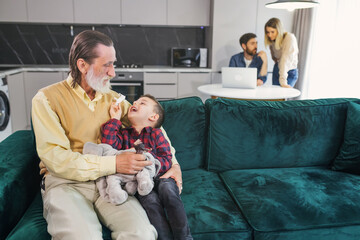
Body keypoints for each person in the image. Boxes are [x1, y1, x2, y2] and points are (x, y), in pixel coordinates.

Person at [31, 30, 183, 240]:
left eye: (114, 64)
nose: (113, 73)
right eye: (106, 65)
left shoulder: (113, 100)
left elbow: (153, 127)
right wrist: (114, 164)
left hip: (111, 182)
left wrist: (174, 165)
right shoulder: (46, 99)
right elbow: (57, 159)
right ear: (82, 65)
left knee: (143, 234)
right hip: (66, 183)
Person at [101, 94, 192, 240]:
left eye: (142, 103)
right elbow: (108, 145)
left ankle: (184, 237)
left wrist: (148, 165)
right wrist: (115, 119)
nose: (135, 103)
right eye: (135, 101)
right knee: (150, 201)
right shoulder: (124, 135)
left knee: (168, 190)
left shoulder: (156, 133)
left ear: (153, 117)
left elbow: (166, 158)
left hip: (161, 176)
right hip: (139, 182)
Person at [264, 17, 299, 88]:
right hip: (278, 68)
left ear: (279, 30)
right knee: (275, 97)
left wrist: (283, 81)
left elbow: (285, 60)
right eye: (267, 32)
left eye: (272, 32)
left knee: (283, 95)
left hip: (289, 71)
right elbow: (274, 55)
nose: (269, 35)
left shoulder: (289, 38)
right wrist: (276, 60)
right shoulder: (272, 40)